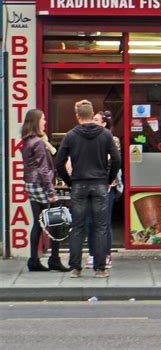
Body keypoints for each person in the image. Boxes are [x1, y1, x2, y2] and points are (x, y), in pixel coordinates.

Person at [56, 100, 121, 278]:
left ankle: (75, 268)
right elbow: (116, 159)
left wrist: (69, 181)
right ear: (92, 115)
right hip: (100, 184)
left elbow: (59, 162)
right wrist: (108, 179)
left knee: (77, 227)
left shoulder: (70, 136)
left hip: (79, 184)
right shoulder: (105, 135)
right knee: (100, 226)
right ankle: (100, 269)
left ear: (77, 116)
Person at [21, 109, 69, 272]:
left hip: (31, 185)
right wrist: (51, 193)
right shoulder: (39, 143)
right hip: (42, 186)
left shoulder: (27, 141)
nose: (45, 122)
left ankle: (33, 259)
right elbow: (43, 170)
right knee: (56, 222)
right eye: (43, 119)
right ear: (36, 122)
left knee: (38, 223)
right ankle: (54, 259)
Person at [84, 110, 121, 270]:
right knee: (90, 221)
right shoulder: (88, 139)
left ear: (104, 123)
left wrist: (107, 181)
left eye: (97, 120)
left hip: (107, 186)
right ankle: (92, 254)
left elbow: (114, 161)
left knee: (104, 222)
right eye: (93, 119)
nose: (93, 121)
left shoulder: (112, 140)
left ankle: (106, 255)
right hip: (91, 185)